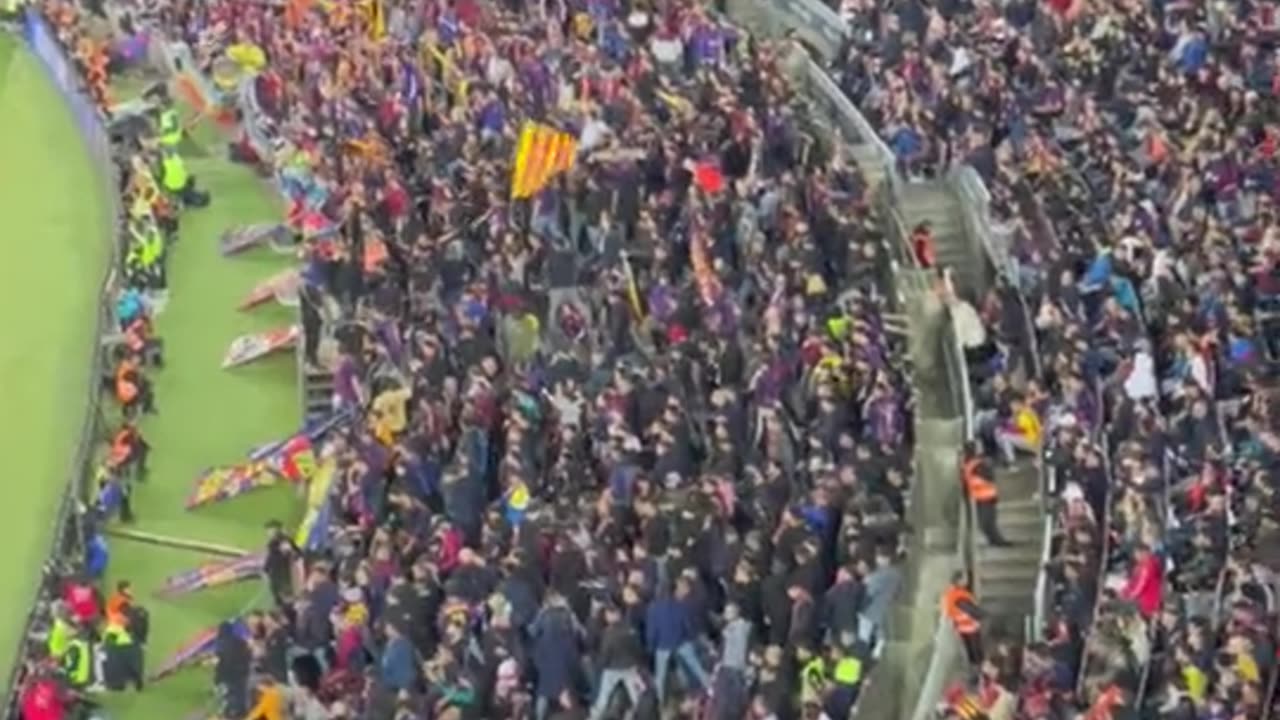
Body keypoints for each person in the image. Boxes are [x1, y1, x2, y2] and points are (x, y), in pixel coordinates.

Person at [962, 445, 1010, 547]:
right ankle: (994, 540)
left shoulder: (980, 463)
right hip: (980, 497)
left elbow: (988, 477)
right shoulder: (970, 464)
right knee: (985, 523)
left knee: (987, 522)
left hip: (987, 497)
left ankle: (998, 541)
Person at [941, 573, 984, 666]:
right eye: (963, 580)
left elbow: (948, 613)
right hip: (971, 627)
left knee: (969, 649)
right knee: (976, 650)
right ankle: (979, 666)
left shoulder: (949, 595)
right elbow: (973, 612)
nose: (965, 581)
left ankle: (973, 665)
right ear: (958, 581)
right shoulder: (960, 596)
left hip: (961, 628)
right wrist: (982, 615)